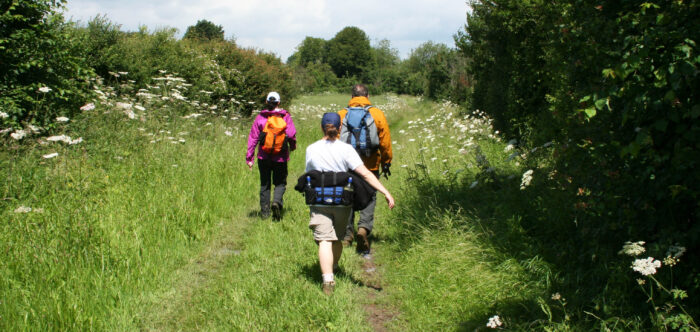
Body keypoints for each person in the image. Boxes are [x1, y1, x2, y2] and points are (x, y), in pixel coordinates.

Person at [303, 113, 395, 295]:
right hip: (342, 201)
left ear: (322, 127)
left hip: (319, 200)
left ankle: (328, 280)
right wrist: (385, 192)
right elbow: (366, 174)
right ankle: (334, 267)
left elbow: (309, 174)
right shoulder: (346, 149)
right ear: (339, 129)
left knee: (324, 240)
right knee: (336, 238)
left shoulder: (311, 148)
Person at [338, 84, 392, 256]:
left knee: (347, 196)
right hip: (370, 164)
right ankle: (363, 229)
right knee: (370, 196)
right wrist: (386, 162)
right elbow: (384, 141)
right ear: (368, 95)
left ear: (351, 95)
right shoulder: (377, 114)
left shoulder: (341, 114)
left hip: (347, 165)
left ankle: (347, 235)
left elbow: (334, 139)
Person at [246, 92, 297, 220]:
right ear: (279, 103)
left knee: (265, 184)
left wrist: (250, 157)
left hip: (263, 157)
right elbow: (291, 135)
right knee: (280, 182)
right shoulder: (285, 116)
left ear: (266, 102)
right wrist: (293, 146)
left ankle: (264, 213)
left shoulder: (261, 117)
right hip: (280, 157)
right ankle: (277, 202)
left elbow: (253, 138)